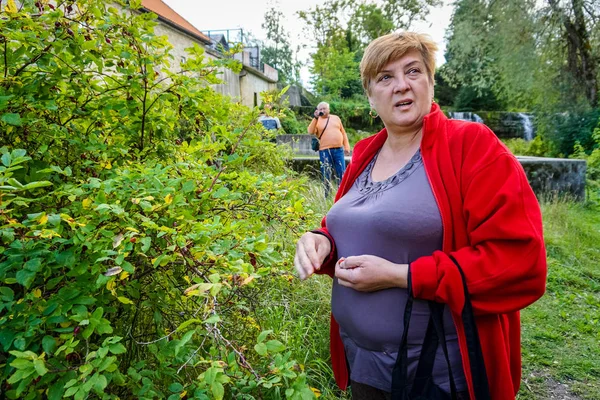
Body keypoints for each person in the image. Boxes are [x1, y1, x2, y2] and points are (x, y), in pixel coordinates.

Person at [294, 31, 546, 400]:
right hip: (363, 364)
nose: (401, 86)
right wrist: (323, 243)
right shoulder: (364, 153)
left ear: (430, 82)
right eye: (385, 77)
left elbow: (520, 261)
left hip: (439, 373)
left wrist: (402, 277)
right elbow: (352, 229)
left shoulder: (472, 146)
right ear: (370, 96)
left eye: (413, 71)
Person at [307, 102, 351, 197]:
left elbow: (343, 133)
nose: (322, 111)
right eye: (320, 109)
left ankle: (342, 194)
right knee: (326, 172)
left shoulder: (336, 118)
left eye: (324, 108)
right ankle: (327, 195)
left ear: (328, 109)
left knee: (342, 172)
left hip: (338, 150)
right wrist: (315, 118)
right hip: (324, 151)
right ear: (317, 110)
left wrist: (346, 146)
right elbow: (310, 131)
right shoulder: (317, 120)